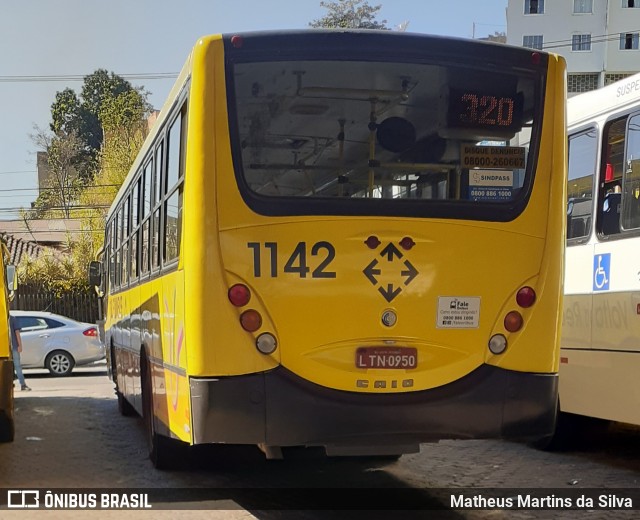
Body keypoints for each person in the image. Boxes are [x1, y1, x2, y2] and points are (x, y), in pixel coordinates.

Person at [10, 315, 31, 391]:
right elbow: (17, 333)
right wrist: (19, 345)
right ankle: (23, 384)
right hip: (13, 346)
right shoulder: (12, 319)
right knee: (17, 366)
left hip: (6, 347)